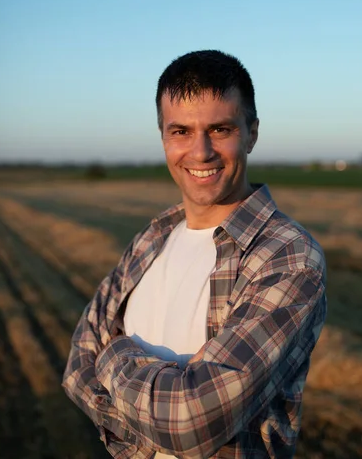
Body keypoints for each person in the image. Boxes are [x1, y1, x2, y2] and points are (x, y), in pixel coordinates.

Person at [62, 50, 326, 459]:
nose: (200, 152)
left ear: (252, 133)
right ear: (163, 137)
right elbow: (76, 366)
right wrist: (173, 387)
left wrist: (113, 352)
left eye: (220, 129)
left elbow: (190, 423)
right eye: (180, 131)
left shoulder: (287, 256)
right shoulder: (153, 237)